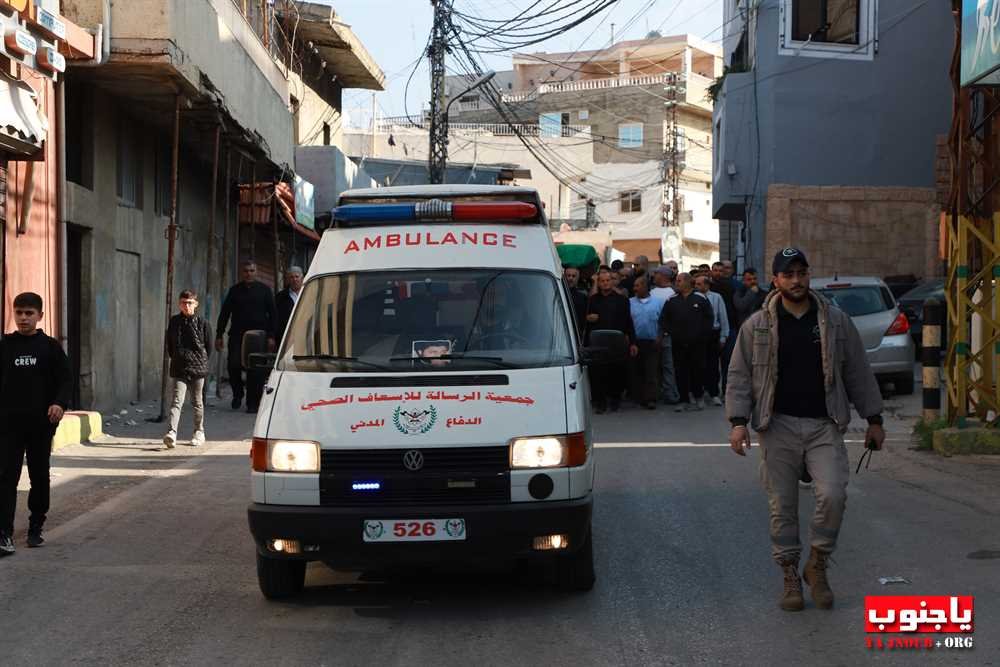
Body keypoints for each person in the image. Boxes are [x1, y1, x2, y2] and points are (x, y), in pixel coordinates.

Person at [726, 248, 885, 613]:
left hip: (823, 424)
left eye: (802, 273)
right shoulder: (757, 326)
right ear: (776, 280)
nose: (796, 280)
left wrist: (874, 418)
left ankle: (817, 564)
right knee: (781, 506)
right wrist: (738, 423)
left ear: (808, 275)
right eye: (789, 274)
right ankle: (789, 576)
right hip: (777, 425)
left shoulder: (835, 321)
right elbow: (739, 376)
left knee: (832, 495)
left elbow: (857, 372)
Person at [0, 292, 71, 554]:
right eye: (19, 313)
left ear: (40, 315)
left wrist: (59, 403)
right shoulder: (5, 346)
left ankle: (35, 527)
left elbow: (65, 380)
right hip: (9, 425)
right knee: (6, 478)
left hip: (40, 426)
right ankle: (4, 533)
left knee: (39, 477)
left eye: (29, 313)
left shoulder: (50, 347)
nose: (23, 318)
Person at [216, 261, 278, 413]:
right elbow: (225, 314)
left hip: (258, 336)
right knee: (233, 365)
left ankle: (252, 403)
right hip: (237, 335)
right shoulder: (235, 291)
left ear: (256, 272)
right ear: (242, 273)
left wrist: (271, 336)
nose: (249, 273)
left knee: (255, 370)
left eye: (252, 270)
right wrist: (219, 334)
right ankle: (238, 394)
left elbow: (273, 315)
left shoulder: (264, 290)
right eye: (246, 271)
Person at [164, 290, 213, 450]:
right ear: (179, 304)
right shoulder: (174, 321)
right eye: (184, 303)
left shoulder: (203, 323)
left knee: (197, 402)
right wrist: (177, 357)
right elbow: (170, 345)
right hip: (179, 367)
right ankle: (171, 433)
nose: (186, 306)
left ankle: (199, 432)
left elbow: (209, 347)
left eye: (190, 303)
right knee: (177, 401)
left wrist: (201, 362)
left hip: (198, 368)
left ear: (196, 304)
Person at [658, 273, 713, 412]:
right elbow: (664, 319)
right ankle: (683, 399)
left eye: (679, 280)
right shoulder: (672, 300)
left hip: (697, 343)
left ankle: (699, 397)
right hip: (678, 343)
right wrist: (671, 332)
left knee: (697, 370)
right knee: (680, 371)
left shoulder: (700, 298)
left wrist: (702, 335)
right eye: (676, 280)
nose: (676, 283)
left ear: (688, 282)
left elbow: (709, 318)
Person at [586, 269, 637, 413]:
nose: (605, 283)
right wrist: (589, 319)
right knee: (598, 373)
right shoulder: (593, 300)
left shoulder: (622, 300)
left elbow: (629, 322)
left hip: (617, 342)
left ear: (612, 281)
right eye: (602, 281)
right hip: (598, 343)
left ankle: (615, 400)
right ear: (599, 283)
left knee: (617, 371)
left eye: (608, 280)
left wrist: (632, 342)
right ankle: (600, 403)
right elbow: (586, 321)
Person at [628, 276, 664, 409]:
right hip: (635, 342)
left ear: (644, 286)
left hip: (652, 341)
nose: (635, 289)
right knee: (636, 370)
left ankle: (651, 398)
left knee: (651, 371)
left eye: (637, 286)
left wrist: (660, 337)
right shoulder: (630, 302)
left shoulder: (658, 302)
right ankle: (638, 397)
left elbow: (662, 321)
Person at [694, 275, 730, 406]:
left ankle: (714, 393)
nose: (696, 286)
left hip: (713, 333)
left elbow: (723, 316)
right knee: (698, 365)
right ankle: (699, 393)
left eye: (699, 284)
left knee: (713, 365)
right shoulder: (693, 298)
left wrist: (723, 336)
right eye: (695, 284)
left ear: (706, 285)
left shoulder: (716, 297)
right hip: (698, 335)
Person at [650, 267, 680, 405]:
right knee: (655, 366)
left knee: (668, 365)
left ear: (663, 276)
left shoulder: (673, 293)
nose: (654, 276)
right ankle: (656, 393)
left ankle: (670, 392)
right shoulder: (651, 292)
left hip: (668, 334)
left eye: (656, 274)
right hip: (652, 334)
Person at [275, 266, 304, 342]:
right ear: (288, 280)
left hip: (305, 333)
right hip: (286, 336)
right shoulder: (280, 297)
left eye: (297, 277)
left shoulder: (309, 293)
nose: (294, 279)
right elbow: (276, 318)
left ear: (302, 278)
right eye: (291, 277)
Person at [563, 265, 588, 335]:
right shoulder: (558, 293)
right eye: (568, 275)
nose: (571, 278)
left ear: (578, 278)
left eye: (573, 276)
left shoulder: (582, 297)